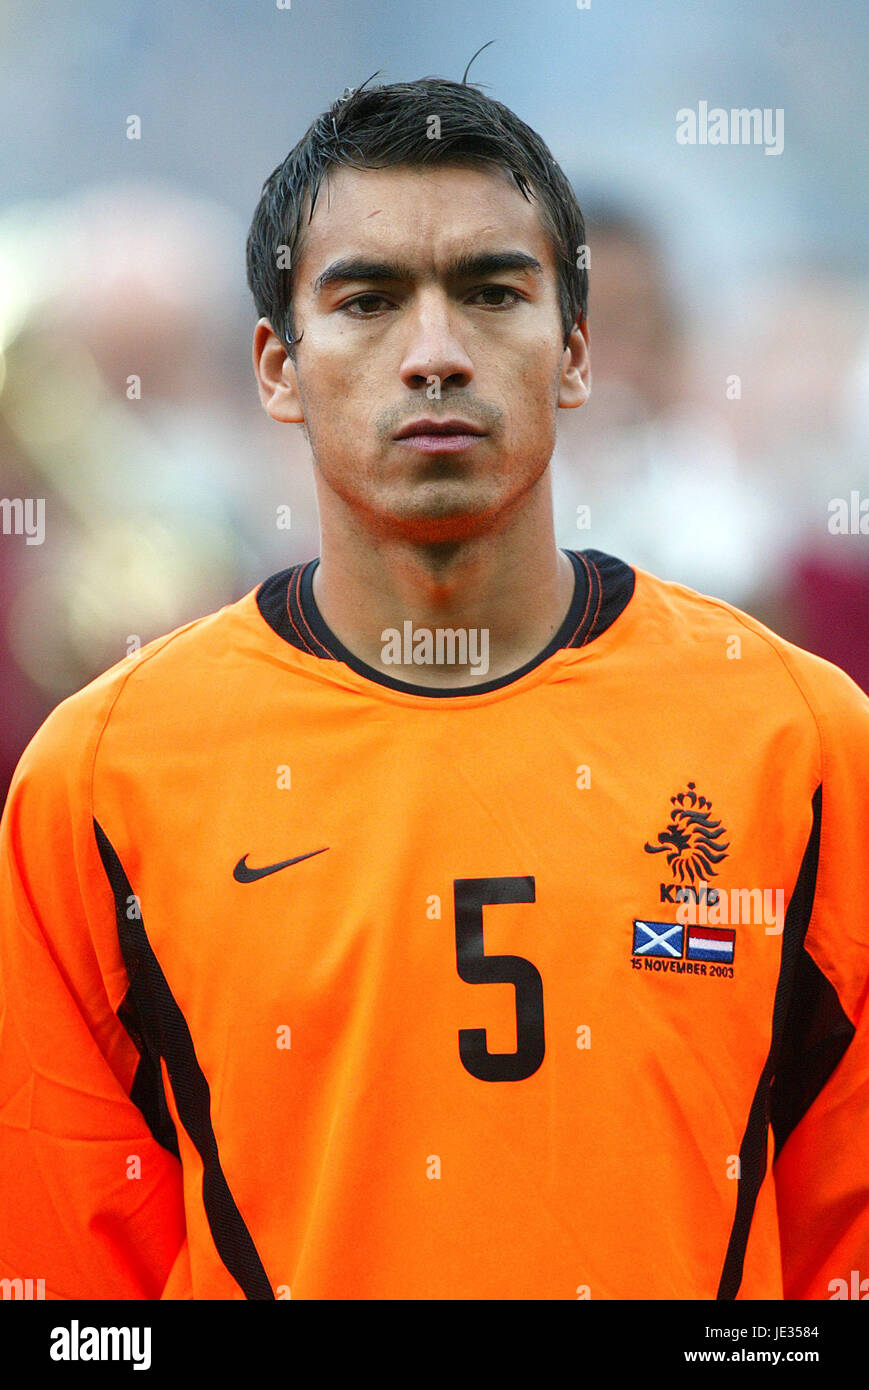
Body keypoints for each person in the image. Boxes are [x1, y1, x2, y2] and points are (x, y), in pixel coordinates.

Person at [0, 74, 867, 1303]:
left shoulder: (802, 742)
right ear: (276, 368)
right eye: (365, 301)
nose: (435, 355)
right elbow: (69, 1291)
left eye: (490, 291)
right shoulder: (100, 781)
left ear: (572, 349)